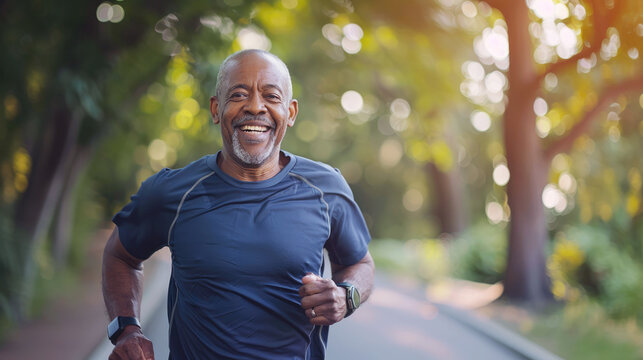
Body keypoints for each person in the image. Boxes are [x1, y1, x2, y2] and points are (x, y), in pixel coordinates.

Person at [102, 49, 375, 360]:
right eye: (239, 94)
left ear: (291, 112)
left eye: (271, 96)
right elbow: (119, 256)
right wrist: (126, 329)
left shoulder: (327, 189)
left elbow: (360, 264)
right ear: (216, 109)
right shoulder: (173, 193)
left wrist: (346, 295)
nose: (255, 107)